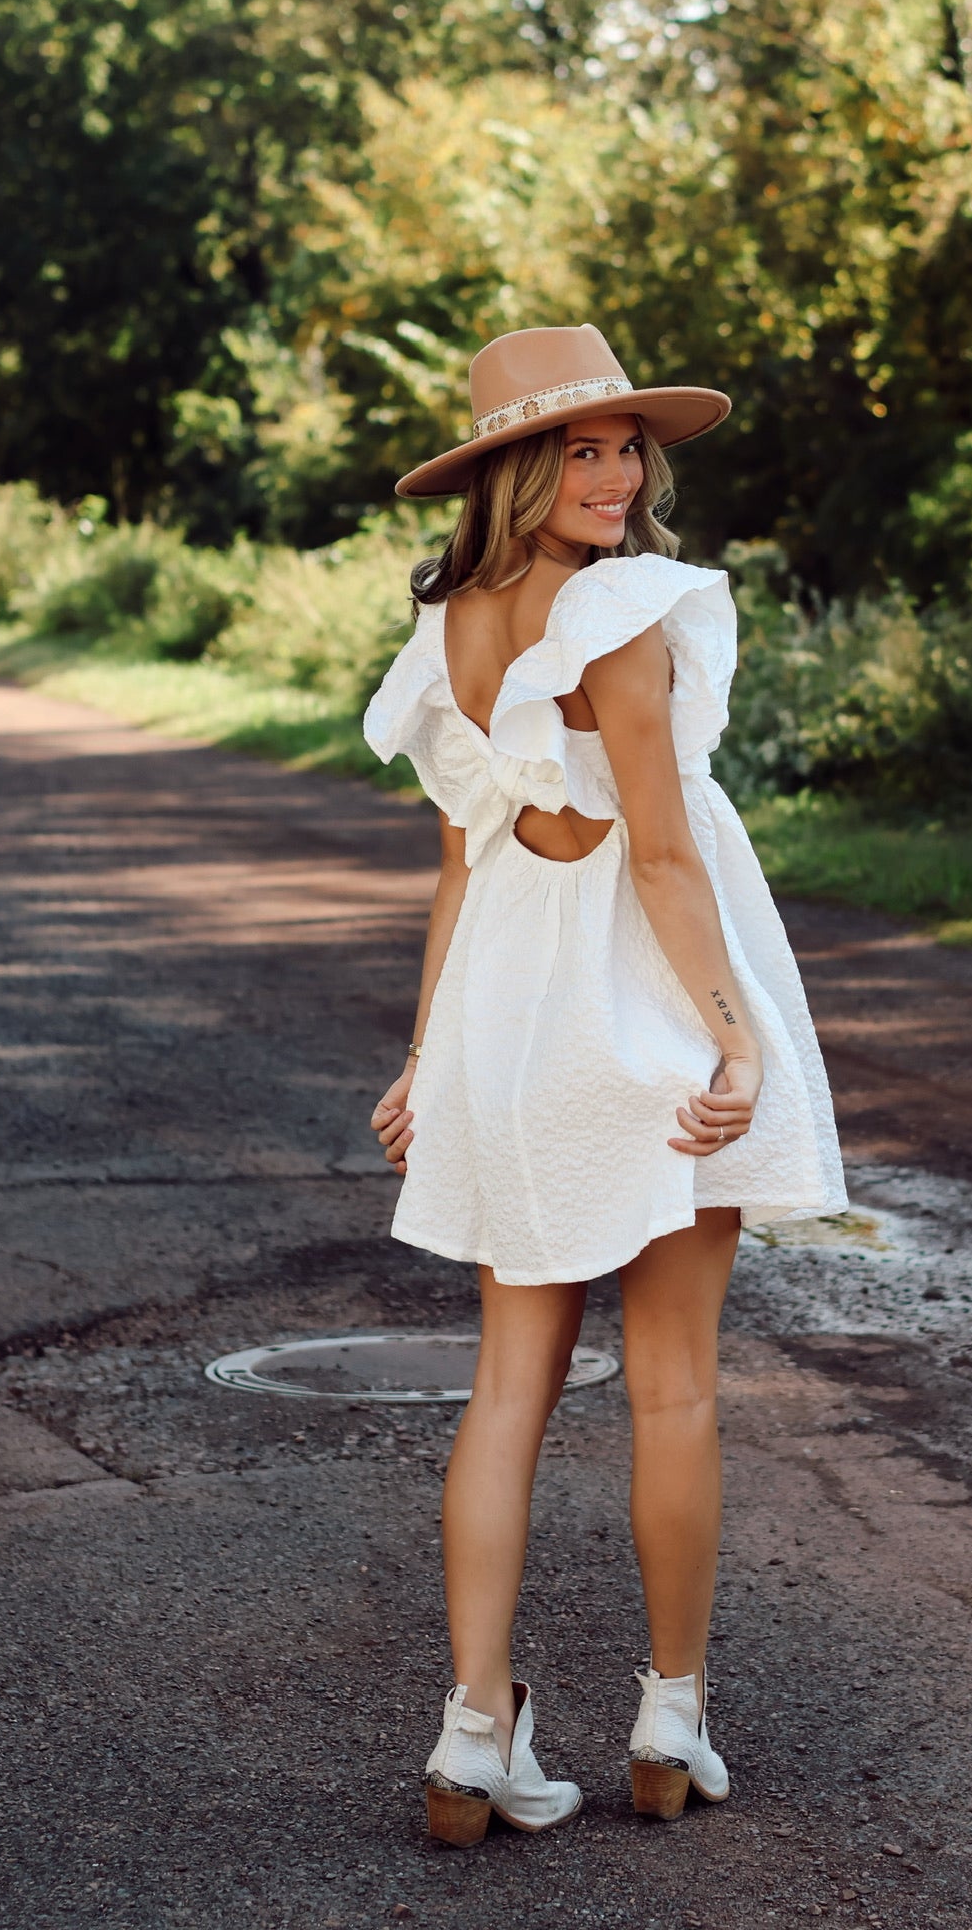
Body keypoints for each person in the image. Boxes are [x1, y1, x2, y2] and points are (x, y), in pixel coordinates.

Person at [364, 324, 845, 1845]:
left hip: (514, 1020)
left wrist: (432, 1052)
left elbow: (465, 863)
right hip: (638, 1005)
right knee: (676, 1385)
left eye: (629, 446)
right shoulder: (623, 609)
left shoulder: (450, 628)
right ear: (516, 466)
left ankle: (472, 1731)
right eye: (581, 447)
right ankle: (669, 1712)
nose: (618, 472)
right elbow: (656, 849)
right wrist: (739, 1035)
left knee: (508, 1387)